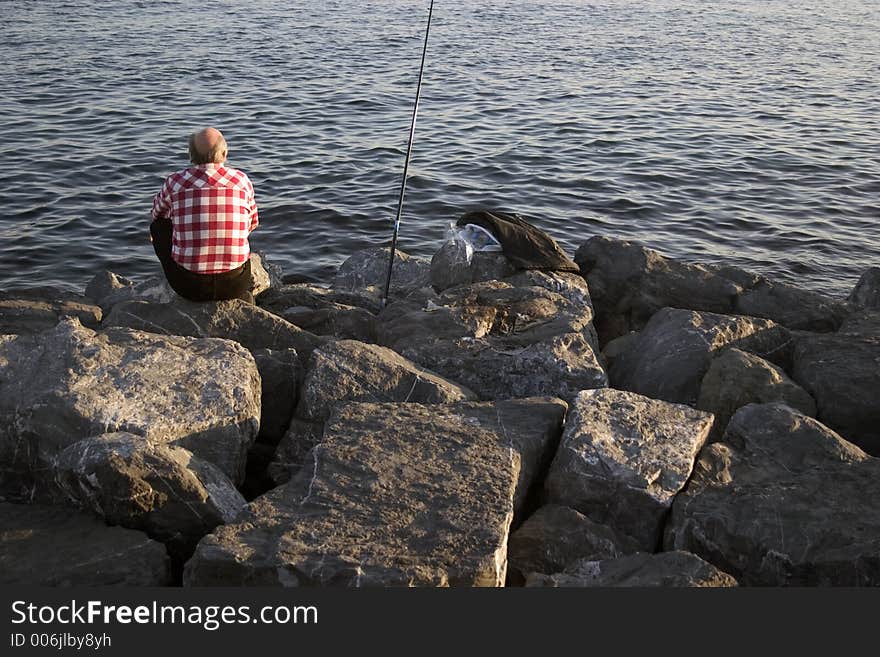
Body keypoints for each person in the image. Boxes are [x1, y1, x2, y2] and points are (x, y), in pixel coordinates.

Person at [150, 127, 259, 302]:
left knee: (158, 225)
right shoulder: (241, 181)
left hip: (187, 286)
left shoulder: (175, 182)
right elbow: (253, 223)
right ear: (224, 153)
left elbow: (156, 215)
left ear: (191, 156)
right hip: (235, 284)